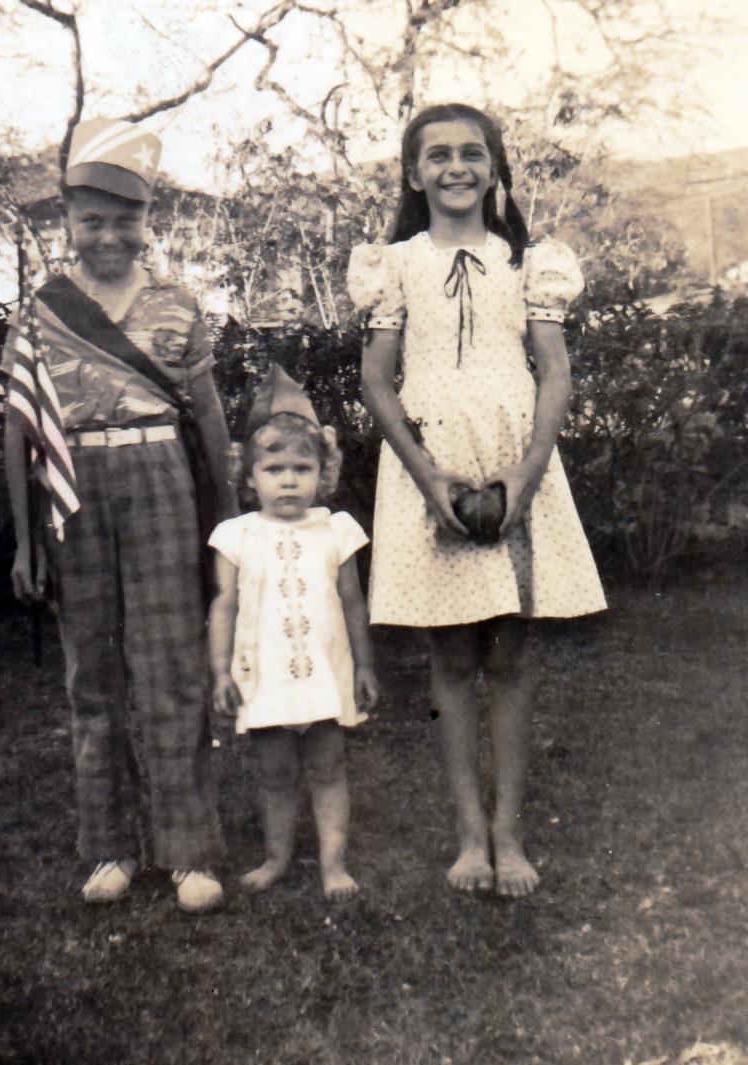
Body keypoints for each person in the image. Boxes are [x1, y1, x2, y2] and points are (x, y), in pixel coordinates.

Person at [349, 103, 606, 897]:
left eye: (472, 154)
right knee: (452, 655)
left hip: (514, 461)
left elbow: (553, 372)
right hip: (433, 463)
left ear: (494, 168)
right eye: (438, 155)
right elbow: (375, 379)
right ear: (411, 171)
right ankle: (468, 836)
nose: (455, 168)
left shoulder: (529, 261)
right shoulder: (395, 265)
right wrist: (431, 480)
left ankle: (510, 832)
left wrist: (523, 478)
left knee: (512, 652)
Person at [1, 117, 237, 911]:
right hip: (73, 487)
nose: (109, 234)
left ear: (148, 221)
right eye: (91, 218)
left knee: (171, 664)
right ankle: (110, 845)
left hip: (161, 476)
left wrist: (230, 526)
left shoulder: (175, 305)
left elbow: (207, 417)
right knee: (91, 677)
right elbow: (20, 426)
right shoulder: (42, 310)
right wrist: (26, 536)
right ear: (66, 220)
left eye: (125, 218)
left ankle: (190, 848)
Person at [208, 366, 378, 901]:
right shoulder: (236, 534)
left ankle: (334, 864)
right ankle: (277, 856)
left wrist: (366, 665)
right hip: (264, 676)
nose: (288, 480)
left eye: (301, 468)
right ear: (250, 475)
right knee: (274, 771)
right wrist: (218, 672)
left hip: (325, 672)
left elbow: (353, 603)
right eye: (274, 468)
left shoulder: (336, 530)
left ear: (322, 473)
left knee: (328, 767)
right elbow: (225, 604)